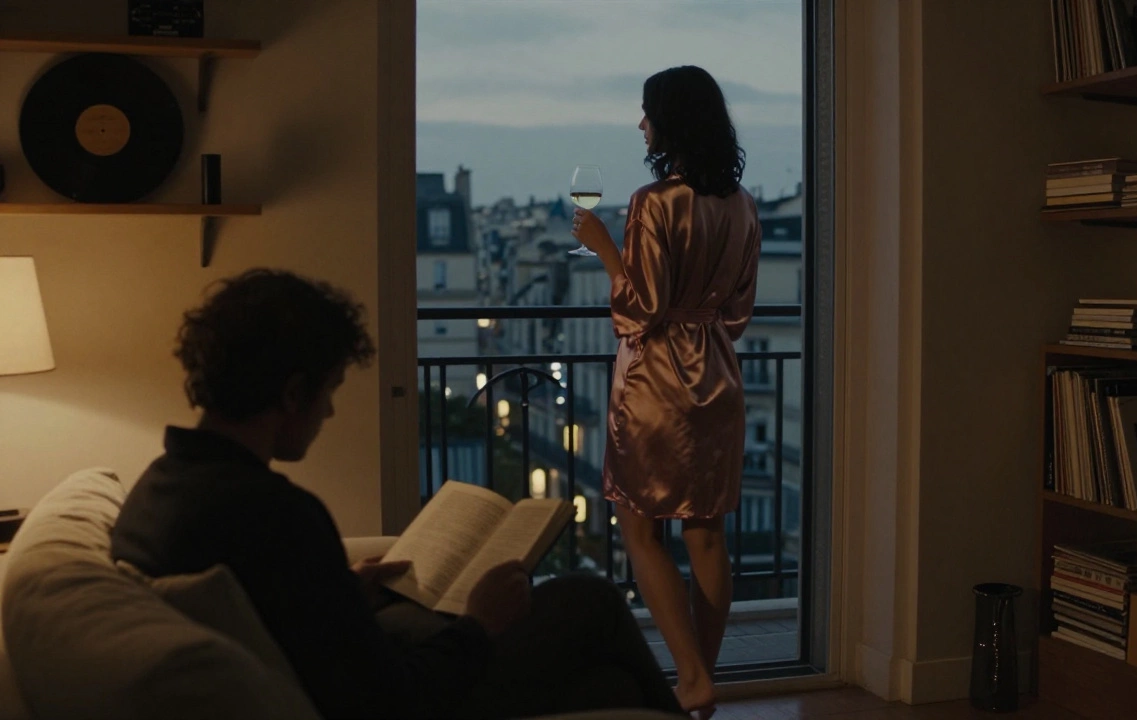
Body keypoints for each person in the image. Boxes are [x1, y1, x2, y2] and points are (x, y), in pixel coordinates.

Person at [110, 268, 683, 720]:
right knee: (590, 599)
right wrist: (479, 623)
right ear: (292, 394)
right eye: (329, 391)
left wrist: (343, 594)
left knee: (609, 687)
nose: (330, 411)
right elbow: (394, 700)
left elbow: (289, 623)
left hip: (338, 676)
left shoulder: (159, 487)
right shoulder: (276, 513)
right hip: (406, 697)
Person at [570, 65, 762, 717]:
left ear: (670, 121)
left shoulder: (653, 202)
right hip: (718, 376)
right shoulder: (741, 205)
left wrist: (601, 247)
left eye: (647, 111)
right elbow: (737, 312)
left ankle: (687, 675)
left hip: (657, 383)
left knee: (639, 527)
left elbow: (638, 309)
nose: (641, 122)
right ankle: (700, 681)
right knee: (707, 537)